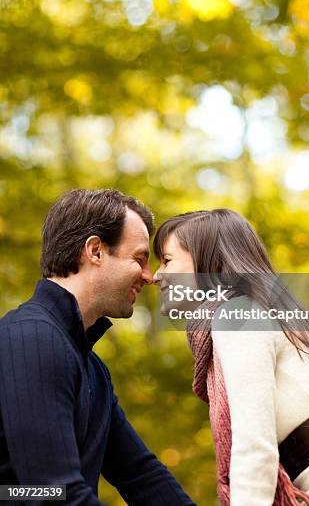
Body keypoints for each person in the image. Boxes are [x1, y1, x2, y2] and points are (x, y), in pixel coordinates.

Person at [153, 208, 309, 506]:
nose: (157, 275)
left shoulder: (238, 315)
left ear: (209, 263)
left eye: (167, 261)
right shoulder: (262, 313)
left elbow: (254, 445)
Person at [0, 189, 195, 506]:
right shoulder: (32, 339)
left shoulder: (89, 367)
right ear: (95, 251)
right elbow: (53, 494)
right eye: (139, 258)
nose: (149, 277)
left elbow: (141, 475)